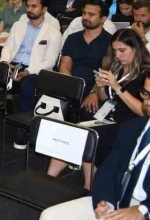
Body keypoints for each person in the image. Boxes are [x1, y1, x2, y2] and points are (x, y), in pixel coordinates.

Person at [38, 72, 150, 220]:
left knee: (89, 136)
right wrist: (106, 202)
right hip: (119, 197)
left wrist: (144, 211)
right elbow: (108, 170)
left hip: (144, 205)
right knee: (50, 216)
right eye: (146, 94)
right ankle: (48, 180)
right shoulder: (132, 128)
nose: (148, 102)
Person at [49, 29, 150, 189]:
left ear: (136, 48)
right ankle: (49, 178)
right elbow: (106, 99)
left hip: (131, 123)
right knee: (71, 133)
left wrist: (117, 88)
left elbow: (143, 111)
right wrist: (101, 87)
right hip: (109, 116)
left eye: (122, 50)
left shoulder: (146, 74)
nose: (117, 55)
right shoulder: (117, 67)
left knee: (88, 137)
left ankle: (89, 186)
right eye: (115, 51)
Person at [0, 0, 63, 149]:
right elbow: (8, 47)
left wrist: (28, 71)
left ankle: (23, 130)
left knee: (27, 85)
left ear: (44, 9)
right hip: (14, 64)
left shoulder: (54, 32)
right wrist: (5, 62)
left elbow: (49, 62)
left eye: (34, 6)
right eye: (28, 6)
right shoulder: (18, 25)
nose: (29, 9)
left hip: (35, 70)